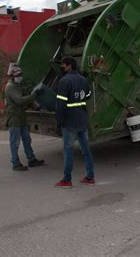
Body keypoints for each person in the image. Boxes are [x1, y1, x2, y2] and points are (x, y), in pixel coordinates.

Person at [55, 56, 95, 188]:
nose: (62, 67)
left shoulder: (64, 81)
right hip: (82, 120)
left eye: (64, 65)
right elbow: (88, 96)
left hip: (69, 121)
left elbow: (61, 105)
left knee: (68, 151)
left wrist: (59, 122)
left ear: (69, 66)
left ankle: (66, 180)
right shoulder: (83, 80)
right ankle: (90, 177)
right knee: (86, 149)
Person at [5, 64, 45, 171]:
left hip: (21, 117)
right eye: (19, 75)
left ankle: (31, 159)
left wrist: (36, 106)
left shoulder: (17, 86)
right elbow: (20, 100)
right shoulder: (10, 87)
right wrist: (34, 95)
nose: (21, 76)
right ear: (13, 76)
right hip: (14, 118)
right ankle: (15, 163)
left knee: (27, 139)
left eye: (21, 74)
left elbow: (26, 97)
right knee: (15, 142)